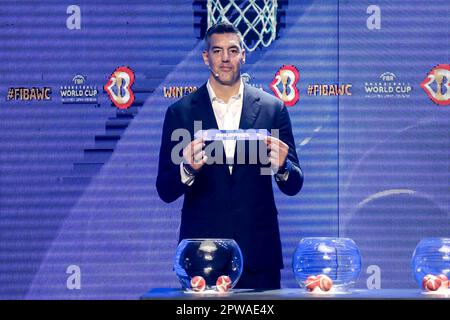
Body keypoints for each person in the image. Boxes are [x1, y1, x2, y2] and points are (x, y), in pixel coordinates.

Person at [156, 22, 303, 289]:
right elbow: (165, 190)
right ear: (206, 57)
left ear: (243, 55)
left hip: (259, 256)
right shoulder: (181, 113)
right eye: (217, 51)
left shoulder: (273, 109)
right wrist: (186, 168)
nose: (225, 58)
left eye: (233, 50)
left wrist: (283, 167)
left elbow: (294, 184)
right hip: (202, 259)